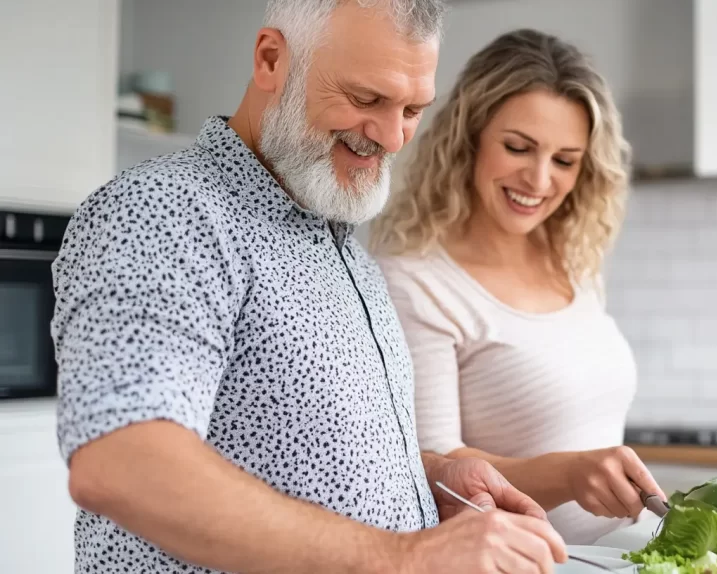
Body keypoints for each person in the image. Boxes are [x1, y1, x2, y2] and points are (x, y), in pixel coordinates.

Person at [51, 2, 567, 573]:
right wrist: (406, 556)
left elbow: (290, 449)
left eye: (414, 109)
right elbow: (123, 463)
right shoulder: (167, 212)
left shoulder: (343, 247)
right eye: (366, 99)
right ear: (271, 59)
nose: (392, 137)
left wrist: (425, 477)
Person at [369, 28, 665, 545]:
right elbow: (435, 473)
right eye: (518, 148)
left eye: (565, 160)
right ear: (470, 138)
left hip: (622, 555)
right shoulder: (417, 283)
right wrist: (570, 475)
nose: (539, 179)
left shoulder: (573, 265)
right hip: (530, 559)